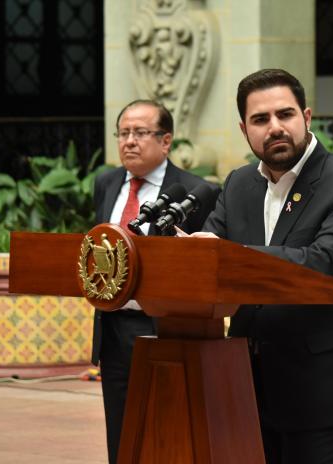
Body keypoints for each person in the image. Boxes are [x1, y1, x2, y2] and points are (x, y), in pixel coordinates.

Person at [191, 68, 333, 463]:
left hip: (325, 388)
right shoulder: (237, 184)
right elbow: (208, 261)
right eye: (260, 119)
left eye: (285, 114)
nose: (275, 127)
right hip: (247, 385)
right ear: (244, 129)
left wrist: (230, 254)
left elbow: (321, 262)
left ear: (307, 117)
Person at [91, 99, 218, 464]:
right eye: (124, 133)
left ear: (165, 141)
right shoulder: (106, 182)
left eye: (141, 133)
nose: (130, 141)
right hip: (114, 328)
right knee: (120, 432)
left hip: (166, 326)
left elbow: (203, 263)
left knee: (167, 430)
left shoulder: (196, 192)